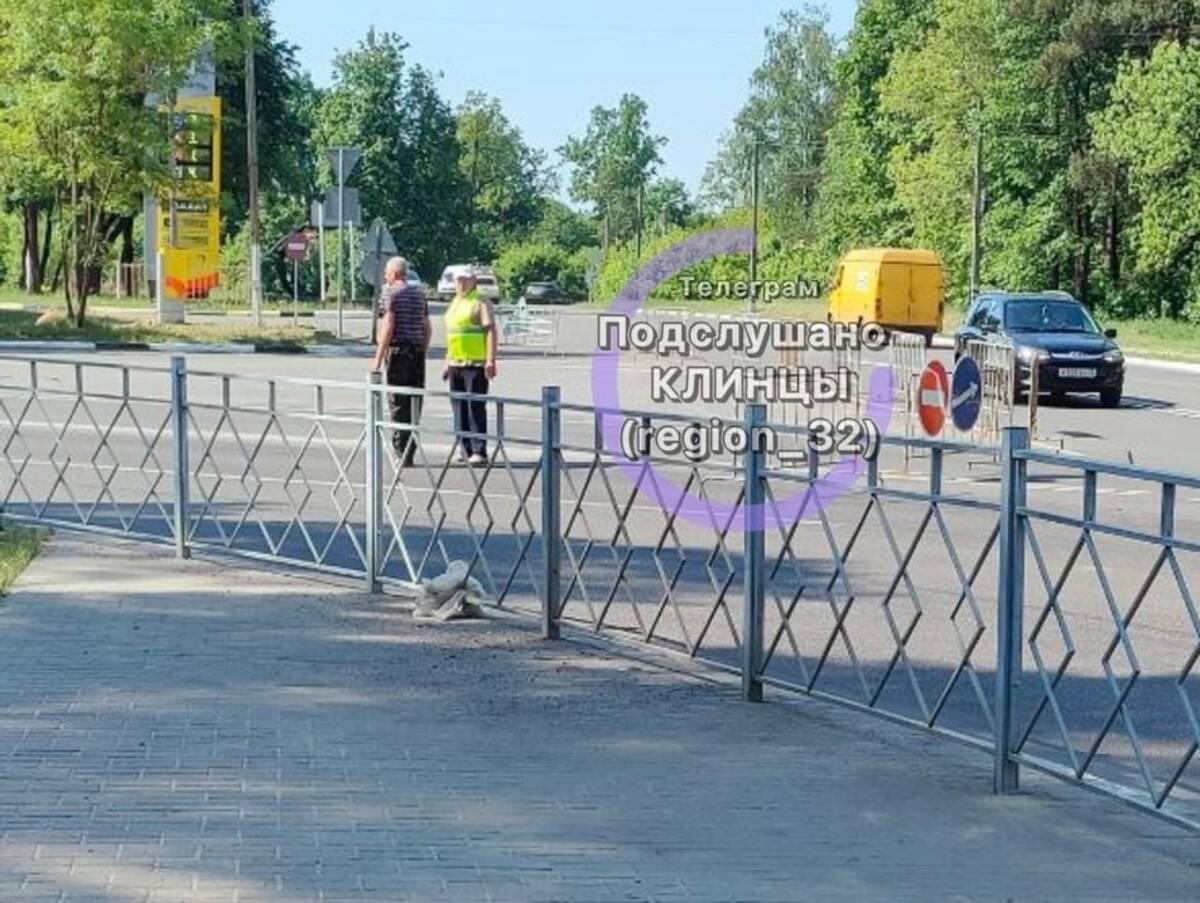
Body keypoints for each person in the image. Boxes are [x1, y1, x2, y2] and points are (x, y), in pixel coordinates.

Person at [371, 256, 431, 467]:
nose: (385, 277)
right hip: (416, 354)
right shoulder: (419, 295)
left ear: (394, 274)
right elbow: (427, 327)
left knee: (398, 402)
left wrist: (378, 357)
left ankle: (401, 452)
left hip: (398, 353)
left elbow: (388, 326)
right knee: (415, 401)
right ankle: (410, 451)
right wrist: (422, 350)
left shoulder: (390, 293)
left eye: (386, 273)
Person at [443, 269, 497, 466]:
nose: (461, 284)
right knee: (459, 408)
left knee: (475, 407)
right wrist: (447, 361)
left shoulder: (480, 301)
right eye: (458, 280)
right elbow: (452, 334)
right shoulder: (455, 302)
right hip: (456, 362)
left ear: (473, 281)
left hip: (475, 363)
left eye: (465, 280)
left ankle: (479, 450)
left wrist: (491, 360)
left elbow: (490, 331)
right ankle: (464, 448)